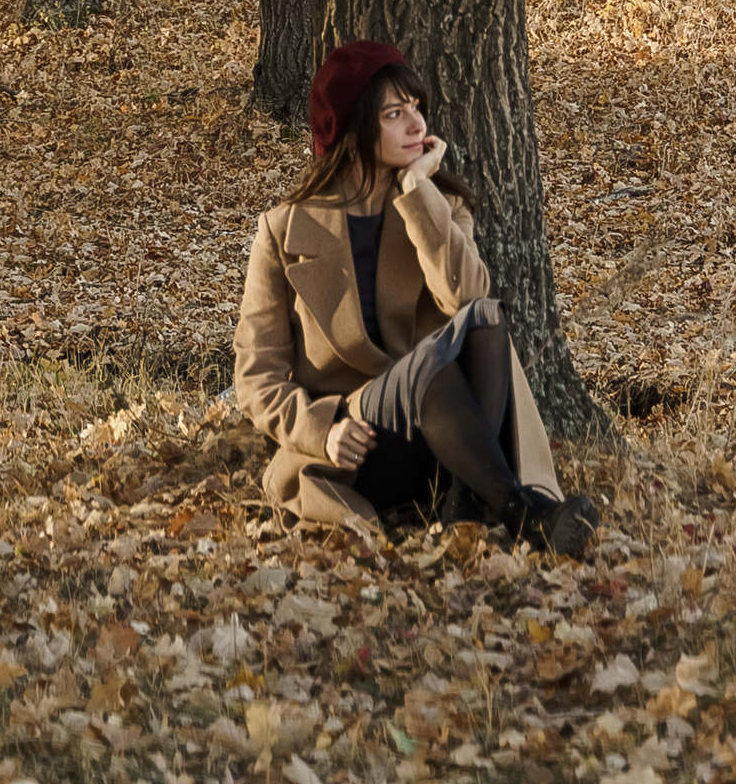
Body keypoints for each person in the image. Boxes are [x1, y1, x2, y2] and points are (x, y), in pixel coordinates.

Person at [233, 38, 593, 555]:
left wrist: (417, 195)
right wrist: (323, 428)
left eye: (417, 109)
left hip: (440, 441)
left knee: (485, 316)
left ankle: (469, 504)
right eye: (395, 114)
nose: (417, 125)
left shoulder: (437, 205)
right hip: (355, 452)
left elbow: (469, 300)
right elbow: (255, 379)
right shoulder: (284, 230)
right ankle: (523, 514)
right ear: (355, 127)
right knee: (429, 363)